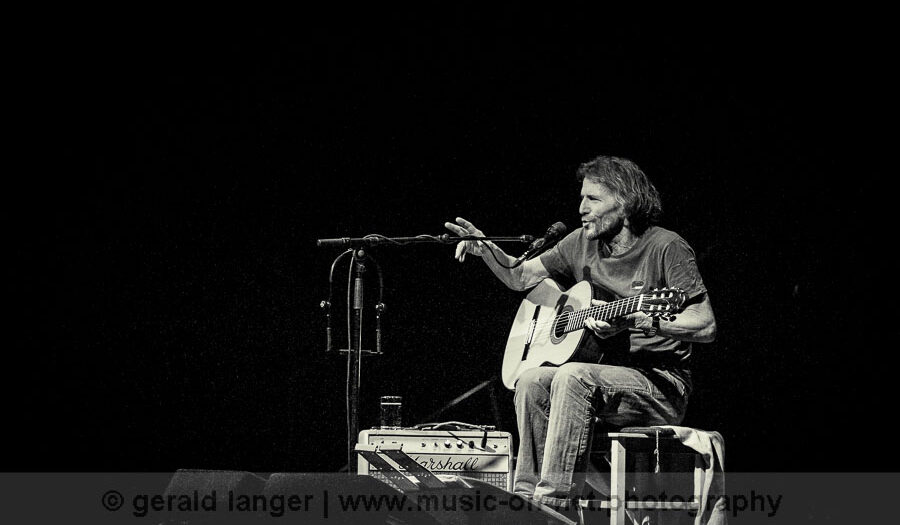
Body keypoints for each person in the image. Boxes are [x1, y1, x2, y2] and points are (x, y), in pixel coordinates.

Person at [444, 155, 716, 515]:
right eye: (581, 198)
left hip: (660, 384)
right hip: (602, 376)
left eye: (593, 200)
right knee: (532, 380)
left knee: (573, 376)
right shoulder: (579, 244)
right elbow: (520, 276)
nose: (581, 208)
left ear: (624, 202)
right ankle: (524, 500)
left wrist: (648, 322)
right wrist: (486, 250)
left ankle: (553, 504)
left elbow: (705, 324)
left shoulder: (666, 246)